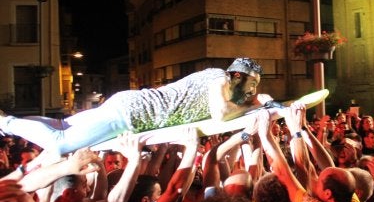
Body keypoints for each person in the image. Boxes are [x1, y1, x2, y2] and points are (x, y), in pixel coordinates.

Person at [0, 58, 272, 155]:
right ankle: (6, 123)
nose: (253, 89)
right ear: (237, 75)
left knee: (62, 125)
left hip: (130, 106)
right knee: (61, 143)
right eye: (252, 82)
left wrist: (254, 102)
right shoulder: (219, 79)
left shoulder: (219, 79)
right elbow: (222, 114)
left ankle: (6, 124)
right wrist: (255, 107)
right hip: (131, 115)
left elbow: (231, 105)